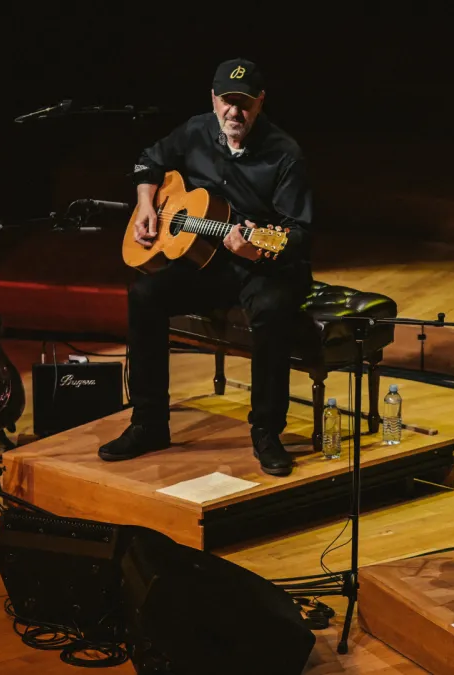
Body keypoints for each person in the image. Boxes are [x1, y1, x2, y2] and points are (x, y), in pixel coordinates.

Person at [98, 58, 314, 477]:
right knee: (144, 295)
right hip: (208, 260)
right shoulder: (196, 130)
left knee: (271, 311)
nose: (235, 112)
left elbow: (299, 234)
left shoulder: (285, 154)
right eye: (227, 101)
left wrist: (257, 249)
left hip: (263, 265)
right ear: (213, 99)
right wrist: (146, 205)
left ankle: (267, 431)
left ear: (261, 102)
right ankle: (149, 424)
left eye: (244, 103)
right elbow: (148, 161)